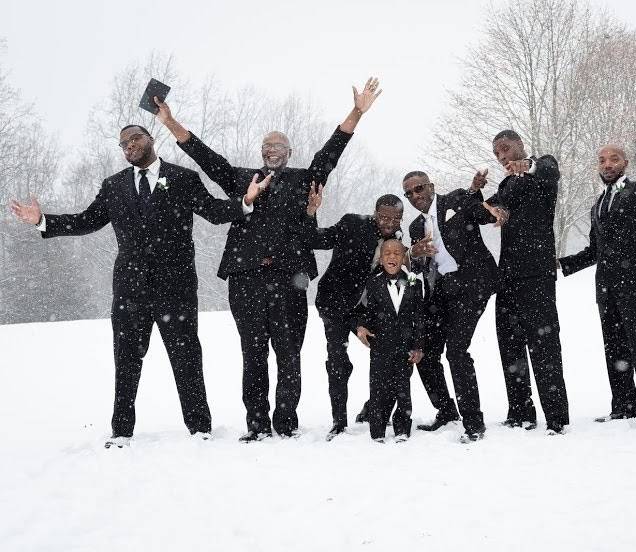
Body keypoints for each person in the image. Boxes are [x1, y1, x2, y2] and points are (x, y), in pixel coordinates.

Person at [154, 79, 382, 441]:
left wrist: (357, 111)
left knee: (289, 354)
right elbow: (206, 157)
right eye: (266, 145)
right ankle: (257, 425)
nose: (270, 149)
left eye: (277, 145)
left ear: (289, 152)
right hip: (246, 279)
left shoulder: (304, 179)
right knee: (253, 354)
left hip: (291, 279)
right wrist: (170, 122)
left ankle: (286, 422)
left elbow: (331, 153)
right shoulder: (243, 179)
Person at [10, 124, 263, 448]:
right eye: (123, 143)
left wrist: (244, 201)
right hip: (130, 291)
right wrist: (43, 220)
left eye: (134, 138)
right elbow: (87, 221)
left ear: (150, 140)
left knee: (187, 358)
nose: (128, 145)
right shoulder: (113, 186)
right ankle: (121, 431)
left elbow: (213, 212)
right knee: (126, 360)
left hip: (176, 288)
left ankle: (200, 427)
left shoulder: (183, 178)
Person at [558, 145, 636, 432]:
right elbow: (594, 250)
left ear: (625, 163)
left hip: (635, 283)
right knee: (615, 346)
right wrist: (559, 264)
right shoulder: (598, 203)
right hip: (606, 287)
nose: (607, 164)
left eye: (613, 159)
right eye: (602, 160)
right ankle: (623, 406)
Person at [478, 129, 569, 435]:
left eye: (505, 148)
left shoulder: (542, 167)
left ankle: (556, 418)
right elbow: (481, 211)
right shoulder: (505, 185)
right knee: (510, 346)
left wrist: (526, 165)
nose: (502, 156)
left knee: (544, 346)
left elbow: (547, 171)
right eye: (497, 154)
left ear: (519, 144)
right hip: (507, 278)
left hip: (536, 275)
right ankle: (520, 412)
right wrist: (484, 204)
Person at [403, 171, 498, 442]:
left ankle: (474, 423)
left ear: (431, 187)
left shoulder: (456, 200)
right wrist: (415, 256)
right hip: (442, 291)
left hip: (473, 284)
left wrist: (482, 200)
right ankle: (446, 411)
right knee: (424, 351)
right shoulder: (414, 228)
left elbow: (483, 215)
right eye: (408, 193)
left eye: (418, 188)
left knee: (456, 351)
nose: (414, 195)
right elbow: (421, 268)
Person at [304, 184, 404, 440]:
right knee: (338, 361)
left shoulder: (397, 239)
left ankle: (375, 409)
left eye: (395, 218)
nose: (389, 223)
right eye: (384, 217)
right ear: (374, 213)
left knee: (391, 357)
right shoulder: (352, 223)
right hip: (334, 304)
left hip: (367, 310)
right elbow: (317, 239)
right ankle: (339, 422)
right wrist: (311, 213)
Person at [355, 240, 424, 443]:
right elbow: (366, 312)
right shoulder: (373, 283)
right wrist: (362, 326)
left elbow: (419, 318)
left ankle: (402, 428)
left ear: (403, 257)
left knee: (403, 390)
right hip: (380, 346)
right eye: (387, 254)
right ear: (381, 258)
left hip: (405, 347)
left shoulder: (413, 282)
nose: (392, 257)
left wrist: (418, 347)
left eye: (397, 253)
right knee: (378, 390)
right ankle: (377, 431)